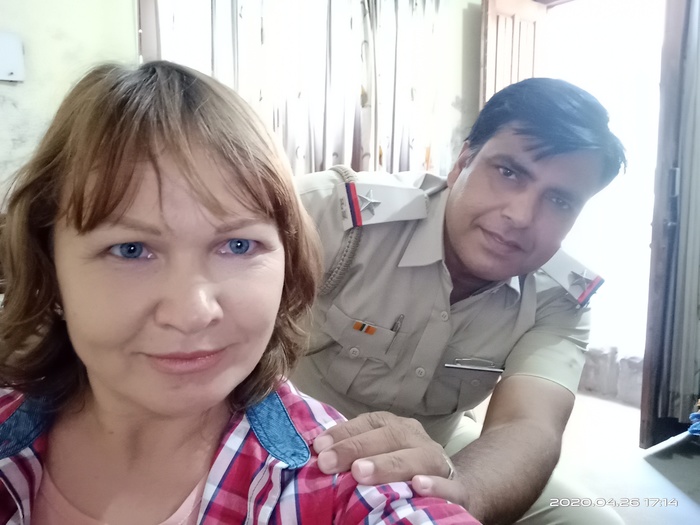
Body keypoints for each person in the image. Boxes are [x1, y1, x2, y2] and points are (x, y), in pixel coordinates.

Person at [0, 61, 478, 524]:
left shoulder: (338, 480)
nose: (192, 312)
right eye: (131, 250)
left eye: (237, 245)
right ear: (49, 268)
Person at [291, 77, 627, 524]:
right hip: (293, 428)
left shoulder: (560, 298)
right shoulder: (330, 214)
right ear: (463, 161)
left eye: (560, 200)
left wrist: (458, 492)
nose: (520, 216)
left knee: (593, 521)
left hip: (435, 451)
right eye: (508, 172)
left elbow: (528, 425)